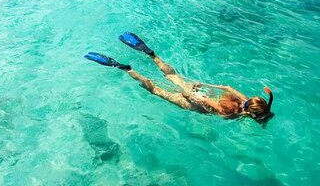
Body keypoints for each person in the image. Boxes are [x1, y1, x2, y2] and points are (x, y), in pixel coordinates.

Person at [84, 32, 274, 125]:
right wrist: (188, 95)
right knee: (155, 89)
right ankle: (123, 68)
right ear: (253, 113)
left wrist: (199, 85)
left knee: (171, 75)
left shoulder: (244, 99)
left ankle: (151, 55)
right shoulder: (231, 113)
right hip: (193, 100)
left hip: (200, 89)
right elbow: (206, 103)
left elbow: (225, 86)